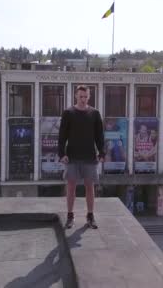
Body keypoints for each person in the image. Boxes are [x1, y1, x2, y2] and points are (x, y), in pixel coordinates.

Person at [59, 85, 105, 229]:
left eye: (86, 97)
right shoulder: (68, 113)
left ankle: (90, 216)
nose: (83, 99)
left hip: (90, 157)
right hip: (72, 157)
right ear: (76, 96)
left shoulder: (95, 114)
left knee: (89, 188)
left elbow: (100, 136)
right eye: (81, 97)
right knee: (71, 187)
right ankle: (70, 216)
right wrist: (62, 154)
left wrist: (102, 153)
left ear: (89, 97)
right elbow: (62, 136)